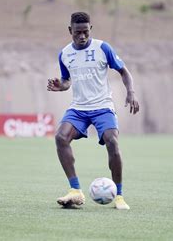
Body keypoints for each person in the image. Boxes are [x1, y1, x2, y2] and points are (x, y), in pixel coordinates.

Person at [47, 12, 139, 210]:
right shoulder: (64, 54)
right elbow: (67, 81)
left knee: (112, 141)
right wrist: (60, 85)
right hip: (79, 108)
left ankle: (119, 196)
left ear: (91, 29)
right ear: (70, 30)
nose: (82, 36)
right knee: (60, 138)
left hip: (102, 106)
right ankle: (75, 191)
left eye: (85, 32)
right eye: (77, 32)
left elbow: (124, 71)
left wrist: (130, 92)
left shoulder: (102, 48)